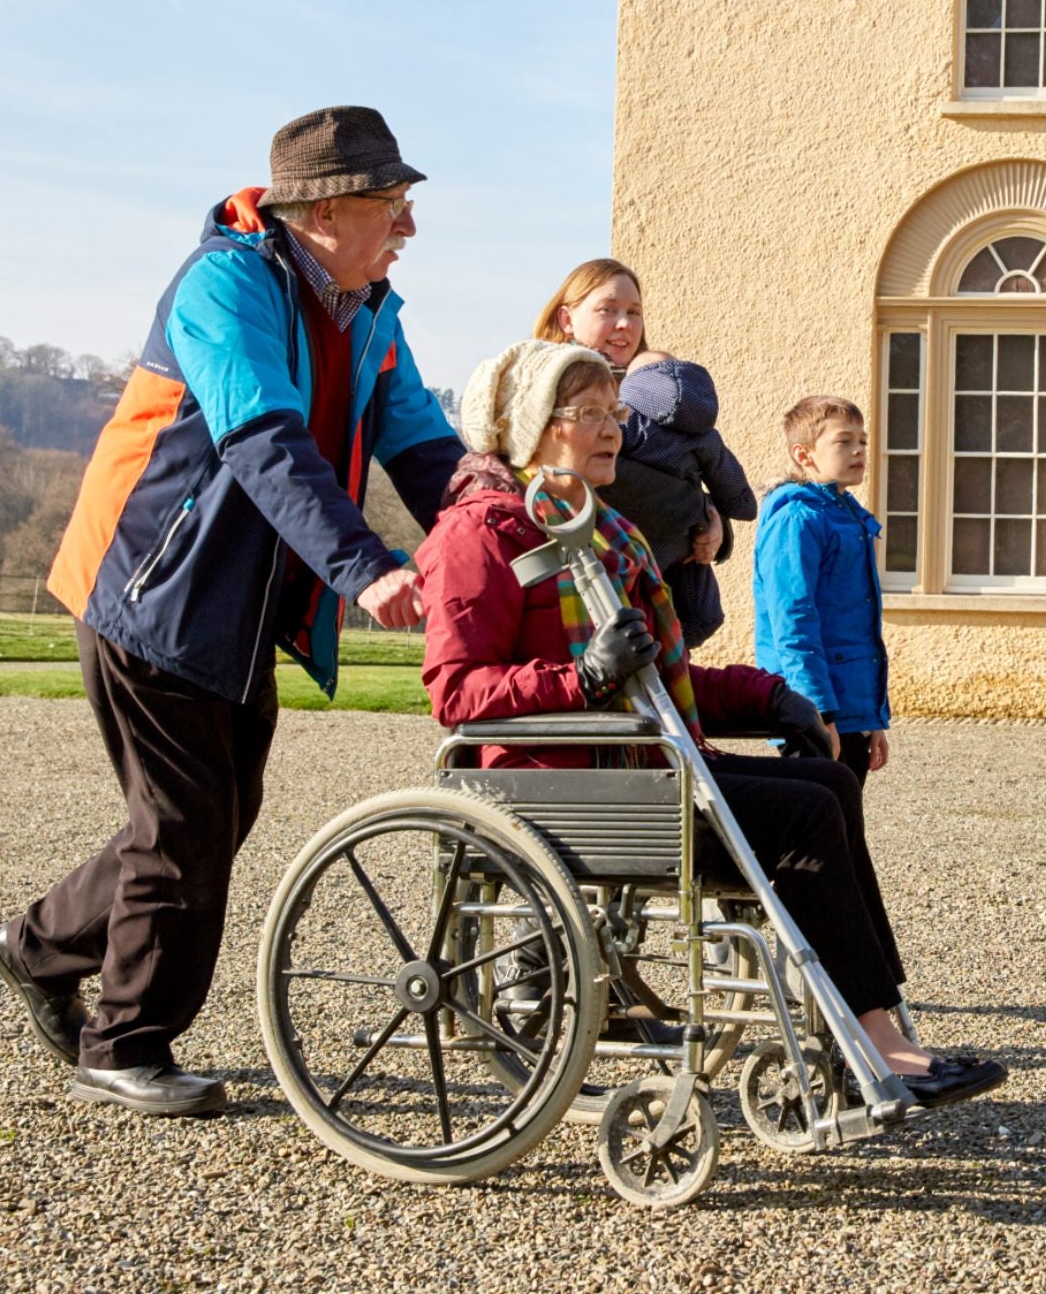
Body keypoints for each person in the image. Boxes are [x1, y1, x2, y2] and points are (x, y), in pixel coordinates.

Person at [0, 106, 463, 1118]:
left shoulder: (371, 307)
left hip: (241, 607)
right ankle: (122, 1042)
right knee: (187, 822)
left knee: (209, 816)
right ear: (324, 209)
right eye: (393, 204)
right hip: (151, 590)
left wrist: (494, 531)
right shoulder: (225, 284)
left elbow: (420, 444)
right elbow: (263, 440)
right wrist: (361, 566)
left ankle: (36, 949)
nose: (407, 227)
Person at [416, 339, 1003, 1108]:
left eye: (613, 412)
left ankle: (872, 1030)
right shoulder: (478, 533)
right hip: (563, 787)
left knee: (828, 779)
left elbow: (661, 678)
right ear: (532, 423)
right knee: (804, 810)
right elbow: (456, 691)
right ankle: (870, 1043)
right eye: (588, 413)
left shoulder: (595, 530)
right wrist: (582, 675)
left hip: (640, 765)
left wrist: (768, 698)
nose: (612, 430)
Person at [532, 260, 755, 648]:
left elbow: (690, 465)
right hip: (572, 587)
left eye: (634, 312)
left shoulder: (655, 388)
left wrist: (714, 521)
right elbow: (608, 479)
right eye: (608, 310)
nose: (624, 324)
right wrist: (700, 511)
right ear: (567, 318)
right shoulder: (546, 384)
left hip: (649, 593)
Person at [751, 395, 892, 783]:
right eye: (844, 441)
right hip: (813, 709)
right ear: (804, 454)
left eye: (862, 440)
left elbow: (855, 627)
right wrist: (819, 715)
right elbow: (793, 623)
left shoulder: (848, 515)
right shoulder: (796, 519)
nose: (859, 449)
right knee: (823, 829)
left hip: (850, 708)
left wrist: (871, 718)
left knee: (843, 825)